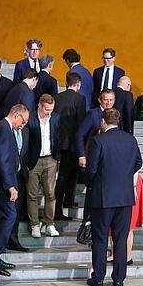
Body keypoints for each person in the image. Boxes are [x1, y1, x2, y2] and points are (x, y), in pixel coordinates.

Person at [85, 109, 142, 286]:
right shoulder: (130, 140)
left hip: (102, 198)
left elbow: (91, 169)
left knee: (101, 239)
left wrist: (90, 183)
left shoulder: (98, 140)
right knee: (120, 239)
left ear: (103, 121)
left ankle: (99, 277)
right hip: (125, 198)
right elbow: (138, 163)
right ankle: (118, 279)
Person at [0, 104, 30, 276]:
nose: (23, 125)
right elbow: (2, 159)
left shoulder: (5, 128)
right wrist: (10, 185)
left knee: (1, 218)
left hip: (2, 183)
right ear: (16, 115)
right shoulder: (3, 128)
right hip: (2, 185)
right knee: (9, 216)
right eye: (23, 121)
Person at [53, 72, 87, 220]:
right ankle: (66, 202)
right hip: (73, 143)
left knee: (62, 176)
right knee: (70, 175)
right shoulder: (80, 99)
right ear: (78, 84)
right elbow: (81, 123)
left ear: (66, 83)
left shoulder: (57, 98)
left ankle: (60, 204)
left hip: (58, 142)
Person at [26, 94, 60, 238]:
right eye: (46, 109)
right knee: (32, 194)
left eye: (51, 110)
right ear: (39, 106)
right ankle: (34, 224)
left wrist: (57, 158)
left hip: (51, 159)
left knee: (51, 194)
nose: (49, 113)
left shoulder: (56, 118)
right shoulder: (30, 118)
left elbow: (58, 137)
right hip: (34, 160)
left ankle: (49, 223)